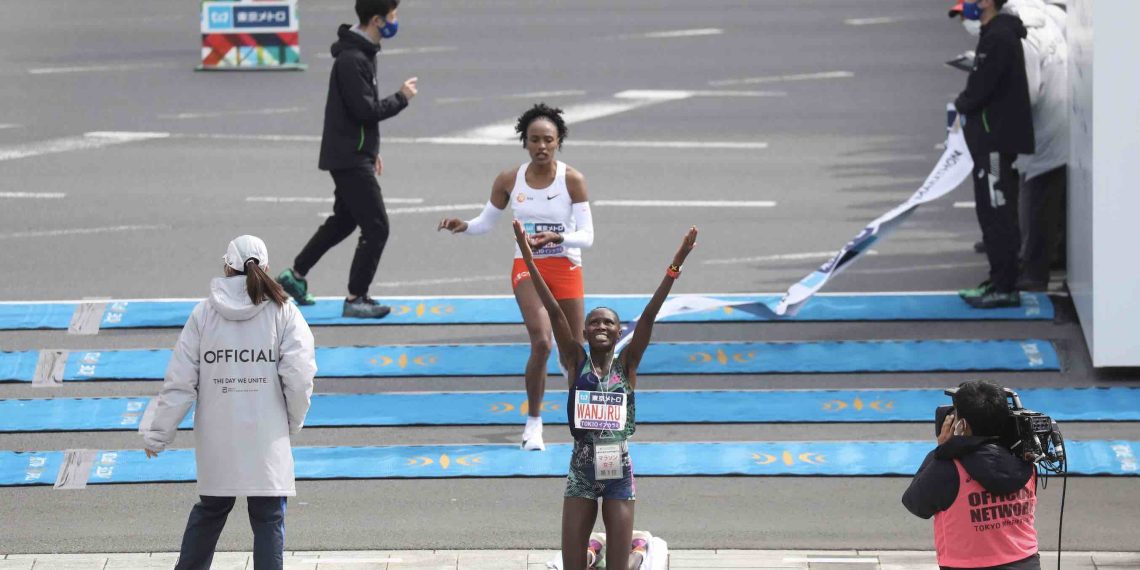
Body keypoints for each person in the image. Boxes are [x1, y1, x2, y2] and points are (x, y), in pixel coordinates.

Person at [514, 219, 697, 570]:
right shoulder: (574, 360)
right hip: (581, 470)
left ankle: (639, 548)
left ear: (618, 332)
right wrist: (526, 253)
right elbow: (553, 309)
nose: (601, 327)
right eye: (594, 322)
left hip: (618, 471)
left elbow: (650, 313)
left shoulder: (627, 365)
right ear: (583, 331)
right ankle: (592, 548)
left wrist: (678, 260)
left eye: (608, 323)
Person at [140, 235, 317, 570]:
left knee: (210, 511)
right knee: (268, 520)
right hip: (266, 436)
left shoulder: (204, 314)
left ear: (226, 267)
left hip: (218, 436)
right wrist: (293, 421)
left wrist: (157, 435)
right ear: (266, 268)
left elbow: (180, 381)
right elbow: (300, 376)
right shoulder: (284, 312)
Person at [438, 103, 595, 451]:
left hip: (566, 266)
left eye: (548, 140)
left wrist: (558, 238)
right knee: (542, 342)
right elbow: (485, 223)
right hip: (528, 266)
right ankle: (534, 424)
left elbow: (587, 236)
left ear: (559, 142)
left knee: (574, 354)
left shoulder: (572, 180)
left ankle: (581, 425)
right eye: (534, 140)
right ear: (524, 142)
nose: (541, 146)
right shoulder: (510, 180)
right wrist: (462, 226)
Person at [276, 0, 418, 318]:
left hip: (354, 152)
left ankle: (294, 276)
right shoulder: (353, 59)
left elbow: (356, 114)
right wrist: (401, 98)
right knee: (377, 227)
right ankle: (356, 298)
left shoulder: (363, 52)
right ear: (378, 20)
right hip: (349, 156)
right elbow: (365, 110)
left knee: (344, 221)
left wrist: (372, 150)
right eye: (393, 16)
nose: (397, 21)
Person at [949, 0, 1068, 292]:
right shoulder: (1031, 18)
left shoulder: (1009, 34)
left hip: (1034, 121)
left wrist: (981, 96)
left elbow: (1024, 88)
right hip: (1051, 112)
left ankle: (1028, 271)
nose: (966, 19)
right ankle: (1017, 259)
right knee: (1015, 193)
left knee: (1031, 194)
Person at [902, 380, 1039, 570]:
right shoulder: (1026, 462)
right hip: (1026, 562)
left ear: (962, 424)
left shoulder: (949, 467)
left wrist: (942, 450)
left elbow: (915, 504)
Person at [953, 0, 1035, 309]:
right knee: (992, 212)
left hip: (995, 143)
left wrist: (961, 104)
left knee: (997, 211)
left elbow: (980, 89)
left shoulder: (999, 37)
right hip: (991, 140)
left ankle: (1005, 287)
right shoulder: (996, 33)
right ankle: (999, 278)